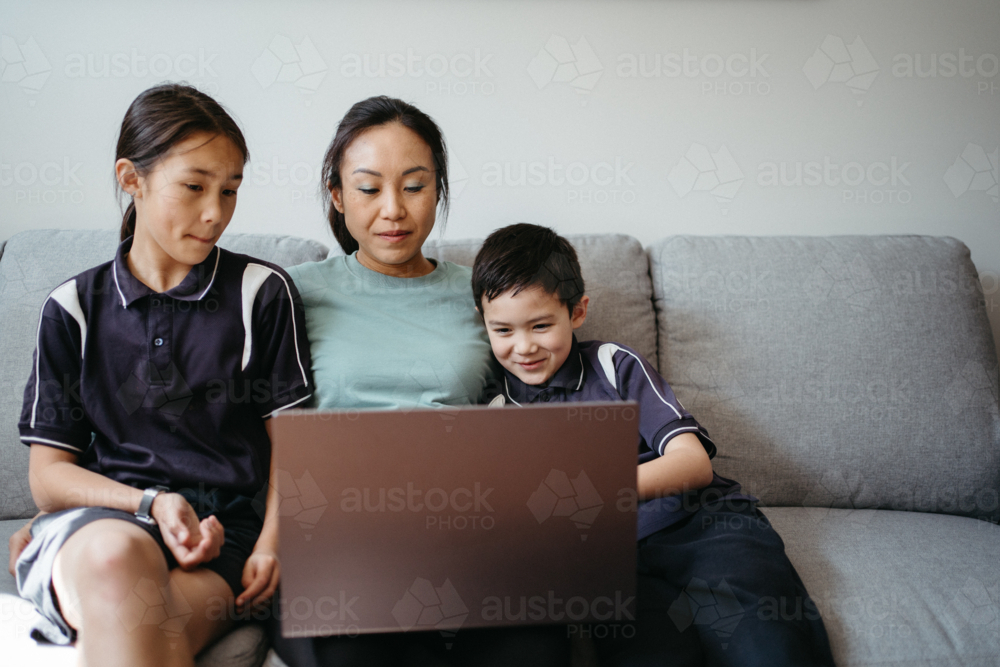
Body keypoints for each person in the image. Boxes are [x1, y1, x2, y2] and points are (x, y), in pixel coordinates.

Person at [11, 83, 312, 667]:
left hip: (223, 536)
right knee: (115, 564)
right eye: (195, 186)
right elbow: (48, 478)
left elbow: (294, 448)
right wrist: (150, 503)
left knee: (153, 631)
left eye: (229, 191)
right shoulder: (74, 306)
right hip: (108, 523)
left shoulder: (261, 292)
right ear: (132, 178)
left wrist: (272, 546)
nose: (215, 213)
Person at [270, 96, 570, 667]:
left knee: (531, 653)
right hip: (343, 543)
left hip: (472, 534)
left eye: (414, 185)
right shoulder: (291, 292)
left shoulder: (484, 294)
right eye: (368, 188)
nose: (393, 210)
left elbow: (539, 399)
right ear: (337, 195)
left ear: (439, 190)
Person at [471, 223, 836, 667]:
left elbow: (692, 464)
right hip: (615, 558)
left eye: (541, 325)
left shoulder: (612, 365)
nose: (524, 346)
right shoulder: (493, 406)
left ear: (578, 312)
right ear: (483, 324)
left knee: (761, 641)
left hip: (702, 526)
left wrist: (601, 490)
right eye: (503, 330)